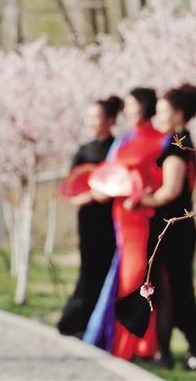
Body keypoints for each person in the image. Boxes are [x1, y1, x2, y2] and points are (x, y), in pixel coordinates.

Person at [83, 87, 169, 360]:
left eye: (132, 104)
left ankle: (134, 345)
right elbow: (107, 175)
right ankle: (124, 342)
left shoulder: (162, 140)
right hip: (121, 216)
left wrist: (142, 195)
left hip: (144, 216)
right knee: (124, 277)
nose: (128, 109)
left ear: (144, 105)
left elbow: (162, 179)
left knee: (137, 278)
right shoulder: (122, 142)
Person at [139, 84, 196, 370]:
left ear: (178, 114)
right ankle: (185, 350)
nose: (157, 117)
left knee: (170, 290)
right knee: (177, 288)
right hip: (178, 226)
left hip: (171, 227)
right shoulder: (183, 141)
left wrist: (142, 199)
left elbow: (170, 190)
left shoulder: (177, 144)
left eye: (163, 111)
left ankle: (172, 353)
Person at [58, 96, 122, 337]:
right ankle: (78, 322)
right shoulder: (83, 151)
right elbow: (70, 189)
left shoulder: (118, 149)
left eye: (96, 117)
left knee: (107, 270)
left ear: (111, 119)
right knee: (88, 269)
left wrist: (105, 193)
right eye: (88, 117)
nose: (91, 122)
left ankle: (100, 326)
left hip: (112, 219)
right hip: (88, 218)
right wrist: (88, 196)